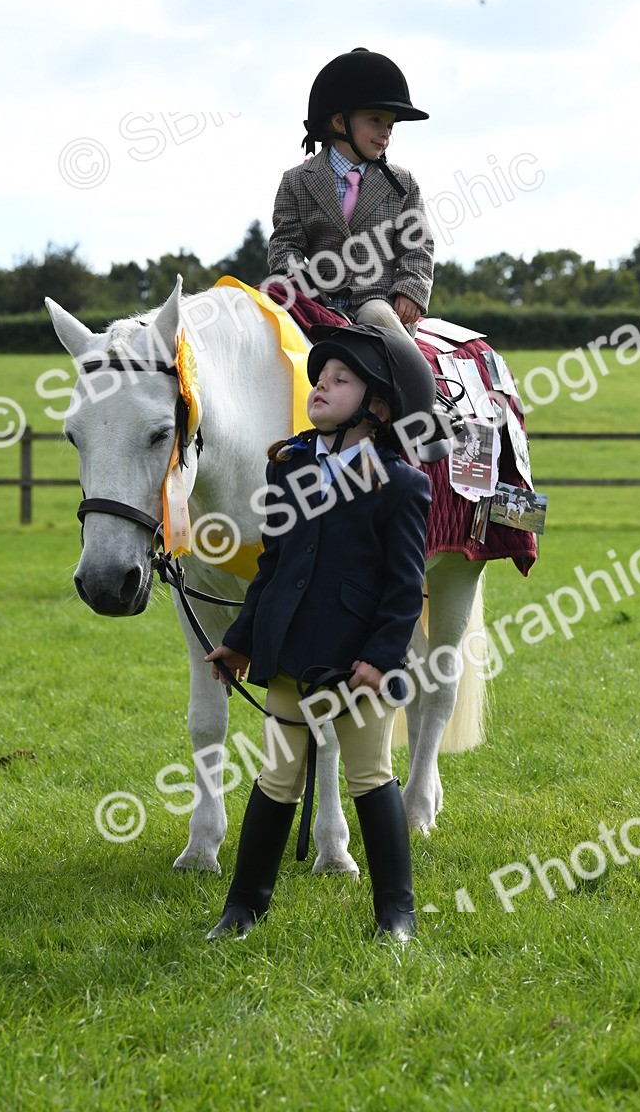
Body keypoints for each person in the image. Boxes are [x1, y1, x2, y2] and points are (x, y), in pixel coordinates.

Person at [204, 324, 436, 943]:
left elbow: (403, 587)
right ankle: (243, 909)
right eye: (318, 379)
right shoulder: (289, 466)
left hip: (360, 662)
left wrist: (380, 659)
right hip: (288, 655)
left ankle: (396, 914)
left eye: (339, 381)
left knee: (369, 776)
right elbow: (272, 567)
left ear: (376, 408)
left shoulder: (403, 485)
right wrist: (242, 639)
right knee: (276, 778)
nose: (321, 388)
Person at [267, 47, 434, 337]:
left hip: (377, 302)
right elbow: (285, 244)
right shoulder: (296, 181)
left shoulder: (403, 183)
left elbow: (417, 245)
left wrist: (410, 289)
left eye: (390, 125)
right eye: (376, 120)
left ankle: (421, 382)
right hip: (316, 301)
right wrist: (297, 279)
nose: (386, 133)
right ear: (339, 122)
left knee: (376, 315)